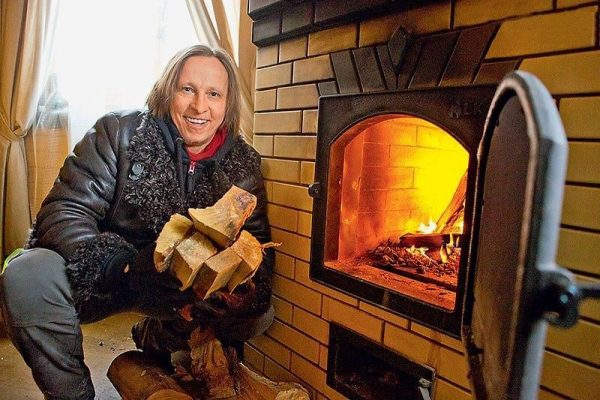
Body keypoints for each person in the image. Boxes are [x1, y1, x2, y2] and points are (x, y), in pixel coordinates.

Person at [0, 44, 274, 400]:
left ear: (228, 104)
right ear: (168, 90)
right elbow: (63, 213)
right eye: (187, 89)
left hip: (180, 295)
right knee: (26, 276)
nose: (199, 106)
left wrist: (239, 294)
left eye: (214, 94)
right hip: (109, 278)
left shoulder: (243, 163)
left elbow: (258, 247)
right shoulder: (117, 133)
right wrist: (124, 266)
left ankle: (158, 335)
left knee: (260, 314)